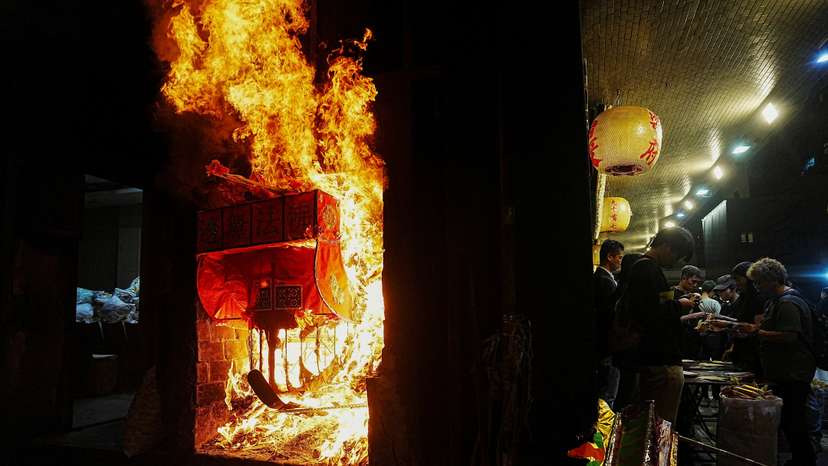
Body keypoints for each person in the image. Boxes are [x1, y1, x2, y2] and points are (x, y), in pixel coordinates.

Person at [737, 258, 816, 466]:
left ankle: (805, 460)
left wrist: (757, 332)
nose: (757, 287)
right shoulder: (774, 301)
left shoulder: (789, 302)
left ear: (772, 280)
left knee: (794, 420)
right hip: (782, 371)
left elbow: (789, 336)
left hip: (794, 372)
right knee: (789, 419)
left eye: (759, 282)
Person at [625, 227, 704, 424]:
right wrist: (679, 305)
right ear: (667, 247)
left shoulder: (644, 267)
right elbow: (651, 313)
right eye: (677, 255)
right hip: (660, 362)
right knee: (660, 426)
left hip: (654, 360)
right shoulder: (647, 268)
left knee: (653, 423)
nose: (676, 262)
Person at [594, 239, 624, 407]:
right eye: (619, 257)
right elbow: (610, 315)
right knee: (607, 396)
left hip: (605, 347)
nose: (620, 261)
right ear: (610, 257)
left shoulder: (605, 278)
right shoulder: (604, 280)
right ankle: (603, 432)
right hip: (606, 348)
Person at [612, 252, 642, 410]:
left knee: (624, 393)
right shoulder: (628, 292)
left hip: (622, 351)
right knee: (627, 396)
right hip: (628, 351)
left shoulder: (621, 289)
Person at [727, 261, 764, 373]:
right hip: (740, 350)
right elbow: (739, 321)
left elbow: (758, 327)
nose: (736, 283)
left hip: (754, 353)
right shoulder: (742, 298)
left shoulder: (759, 298)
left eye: (738, 279)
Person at [674, 265, 706, 359]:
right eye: (693, 281)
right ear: (684, 277)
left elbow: (697, 317)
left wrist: (701, 323)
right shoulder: (671, 293)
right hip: (677, 340)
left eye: (697, 282)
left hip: (692, 340)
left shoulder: (694, 295)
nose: (695, 285)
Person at [698, 280, 724, 360]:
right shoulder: (714, 303)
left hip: (698, 335)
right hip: (713, 336)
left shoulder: (696, 302)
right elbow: (719, 318)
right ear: (712, 290)